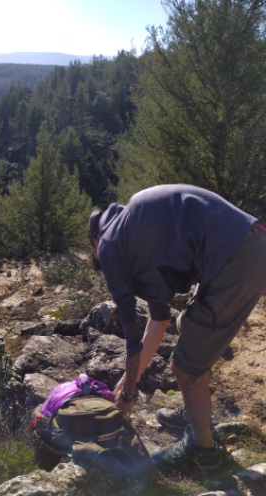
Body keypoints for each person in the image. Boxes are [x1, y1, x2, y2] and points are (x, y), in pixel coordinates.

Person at [90, 184, 266, 473]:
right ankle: (194, 412)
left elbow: (132, 339)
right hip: (252, 246)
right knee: (189, 330)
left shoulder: (109, 242)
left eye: (95, 257)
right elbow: (158, 322)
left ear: (95, 241)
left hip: (237, 260)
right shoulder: (133, 231)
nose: (100, 264)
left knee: (185, 368)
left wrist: (126, 397)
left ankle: (203, 451)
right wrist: (128, 379)